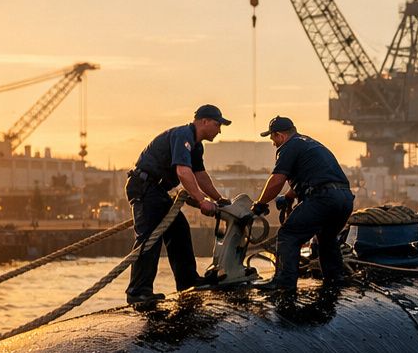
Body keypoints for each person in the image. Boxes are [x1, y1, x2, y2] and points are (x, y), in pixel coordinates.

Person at [124, 105, 231, 305]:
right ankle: (138, 292)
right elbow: (183, 172)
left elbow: (199, 175)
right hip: (146, 187)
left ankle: (187, 280)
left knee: (179, 229)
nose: (219, 130)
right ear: (204, 121)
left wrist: (218, 199)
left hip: (158, 190)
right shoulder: (184, 136)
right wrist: (201, 201)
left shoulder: (197, 146)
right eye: (217, 124)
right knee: (149, 238)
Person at [251, 116, 354, 293]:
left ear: (280, 135)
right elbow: (316, 178)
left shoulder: (288, 147)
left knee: (288, 235)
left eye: (272, 138)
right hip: (344, 199)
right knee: (327, 238)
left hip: (323, 198)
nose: (273, 144)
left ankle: (284, 284)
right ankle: (335, 280)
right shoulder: (311, 144)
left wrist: (260, 203)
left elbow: (276, 180)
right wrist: (289, 197)